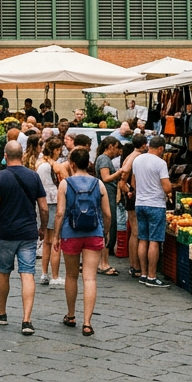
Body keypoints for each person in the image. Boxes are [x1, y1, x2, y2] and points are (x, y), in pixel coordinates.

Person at [0, 141, 48, 336]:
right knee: (27, 273)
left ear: (5, 154)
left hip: (6, 232)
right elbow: (44, 208)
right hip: (28, 232)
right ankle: (26, 320)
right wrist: (43, 228)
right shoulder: (33, 176)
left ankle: (2, 313)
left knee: (3, 272)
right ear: (21, 155)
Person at [59, 147, 112, 337]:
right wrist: (105, 232)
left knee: (71, 276)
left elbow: (59, 213)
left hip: (70, 232)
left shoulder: (65, 184)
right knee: (89, 278)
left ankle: (71, 315)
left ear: (72, 163)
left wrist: (57, 235)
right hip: (93, 232)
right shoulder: (99, 184)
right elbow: (107, 213)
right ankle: (87, 322)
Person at [131, 136, 172, 287]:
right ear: (160, 148)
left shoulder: (137, 160)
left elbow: (133, 183)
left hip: (140, 203)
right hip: (155, 204)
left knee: (143, 239)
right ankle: (152, 276)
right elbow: (166, 187)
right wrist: (170, 188)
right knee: (154, 241)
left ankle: (142, 273)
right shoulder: (160, 163)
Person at [117, 133, 148, 278]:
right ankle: (135, 266)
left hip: (132, 197)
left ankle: (134, 265)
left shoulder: (131, 155)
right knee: (136, 231)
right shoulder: (134, 158)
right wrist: (130, 190)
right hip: (133, 197)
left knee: (135, 231)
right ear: (143, 145)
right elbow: (122, 179)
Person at [36, 138, 65, 287]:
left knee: (46, 241)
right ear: (55, 150)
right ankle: (55, 275)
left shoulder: (39, 163)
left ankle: (44, 274)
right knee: (55, 240)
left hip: (41, 203)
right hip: (53, 202)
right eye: (59, 149)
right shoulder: (54, 166)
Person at [94, 137, 123, 277]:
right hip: (106, 196)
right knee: (107, 225)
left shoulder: (102, 159)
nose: (118, 151)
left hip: (106, 195)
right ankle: (103, 262)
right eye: (117, 147)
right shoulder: (104, 159)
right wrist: (119, 173)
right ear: (110, 146)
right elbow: (105, 178)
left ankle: (102, 261)